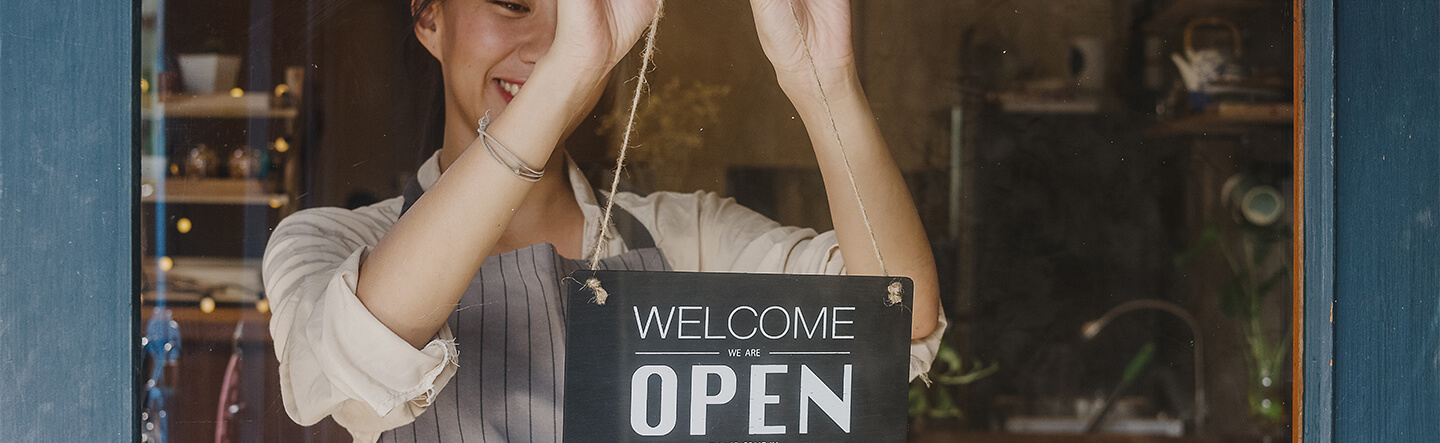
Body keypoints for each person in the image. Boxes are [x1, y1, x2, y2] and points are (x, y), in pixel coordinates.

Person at [261, 0, 946, 440]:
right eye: (514, 3)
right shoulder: (329, 243)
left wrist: (823, 80)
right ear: (428, 15)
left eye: (573, 13)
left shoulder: (688, 237)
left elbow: (891, 321)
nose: (548, 42)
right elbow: (355, 357)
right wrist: (562, 77)